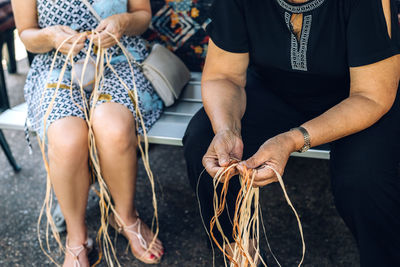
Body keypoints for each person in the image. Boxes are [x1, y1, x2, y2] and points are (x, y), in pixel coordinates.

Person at [183, 0, 400, 266]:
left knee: (364, 177)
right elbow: (224, 76)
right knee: (204, 142)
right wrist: (228, 128)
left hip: (356, 97)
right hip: (274, 89)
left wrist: (293, 139)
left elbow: (371, 96)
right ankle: (238, 253)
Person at [11, 0, 164, 266]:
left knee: (112, 126)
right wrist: (49, 36)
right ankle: (76, 237)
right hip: (56, 65)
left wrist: (124, 22)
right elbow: (27, 34)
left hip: (120, 58)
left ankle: (126, 217)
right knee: (66, 138)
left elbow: (143, 17)